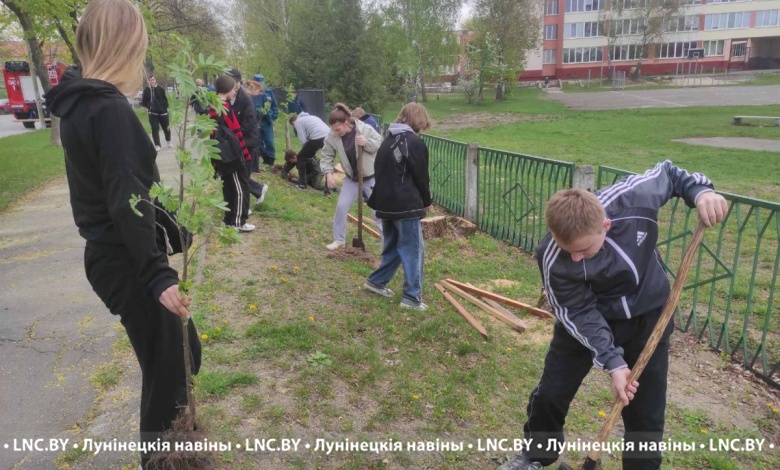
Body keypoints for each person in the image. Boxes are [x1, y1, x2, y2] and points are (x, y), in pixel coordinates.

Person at [44, 0, 202, 467]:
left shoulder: (81, 104)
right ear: (127, 44)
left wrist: (174, 230)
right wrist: (157, 273)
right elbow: (122, 195)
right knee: (172, 364)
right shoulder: (108, 109)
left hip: (113, 253)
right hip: (126, 259)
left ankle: (170, 456)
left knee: (177, 355)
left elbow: (123, 187)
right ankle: (162, 461)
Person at [498, 160, 728, 470]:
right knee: (552, 393)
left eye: (584, 250)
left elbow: (670, 174)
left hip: (649, 318)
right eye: (568, 250)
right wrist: (614, 362)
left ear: (605, 225)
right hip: (589, 319)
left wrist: (701, 192)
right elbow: (577, 311)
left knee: (646, 412)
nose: (575, 258)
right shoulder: (551, 255)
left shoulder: (634, 199)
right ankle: (535, 456)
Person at [364, 103, 432, 311]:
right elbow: (421, 176)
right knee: (413, 250)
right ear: (419, 119)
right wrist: (427, 200)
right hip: (405, 205)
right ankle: (412, 297)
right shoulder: (413, 142)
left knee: (394, 247)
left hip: (385, 204)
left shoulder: (388, 140)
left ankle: (376, 282)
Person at [321, 103, 384, 251]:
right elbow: (327, 154)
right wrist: (328, 172)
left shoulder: (364, 129)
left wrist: (366, 142)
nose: (335, 132)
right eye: (333, 129)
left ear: (347, 123)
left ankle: (387, 245)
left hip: (370, 178)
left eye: (338, 129)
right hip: (351, 179)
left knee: (378, 213)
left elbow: (380, 144)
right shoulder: (333, 135)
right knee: (341, 207)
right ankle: (339, 240)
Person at [208, 74, 255, 232]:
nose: (235, 92)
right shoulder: (223, 108)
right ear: (227, 89)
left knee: (228, 187)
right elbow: (233, 133)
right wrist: (242, 153)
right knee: (241, 187)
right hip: (231, 157)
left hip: (224, 156)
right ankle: (238, 221)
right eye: (233, 89)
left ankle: (229, 220)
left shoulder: (216, 104)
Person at [227, 68, 269, 204]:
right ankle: (258, 190)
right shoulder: (228, 96)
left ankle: (244, 207)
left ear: (239, 81)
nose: (231, 85)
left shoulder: (245, 99)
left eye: (233, 81)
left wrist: (234, 135)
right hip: (235, 142)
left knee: (242, 176)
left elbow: (250, 122)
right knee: (239, 175)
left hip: (247, 142)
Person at [289, 111, 329, 190]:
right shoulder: (312, 117)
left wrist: (305, 150)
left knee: (300, 157)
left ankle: (302, 184)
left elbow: (303, 140)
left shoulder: (298, 122)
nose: (294, 127)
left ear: (293, 122)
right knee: (327, 159)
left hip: (317, 136)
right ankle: (329, 185)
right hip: (328, 135)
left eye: (293, 126)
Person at [252, 73, 279, 166]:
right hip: (256, 122)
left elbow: (275, 105)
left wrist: (274, 115)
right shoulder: (250, 93)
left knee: (269, 142)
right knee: (258, 142)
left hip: (267, 121)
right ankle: (265, 158)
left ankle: (271, 159)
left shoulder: (268, 92)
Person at [140, 74, 171, 150]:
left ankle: (168, 141)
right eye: (150, 80)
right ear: (148, 81)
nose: (152, 81)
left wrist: (166, 107)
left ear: (155, 80)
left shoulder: (161, 89)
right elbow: (144, 102)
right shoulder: (146, 90)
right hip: (153, 113)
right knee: (154, 128)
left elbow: (166, 99)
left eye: (153, 80)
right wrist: (147, 108)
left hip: (163, 112)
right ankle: (157, 145)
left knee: (166, 128)